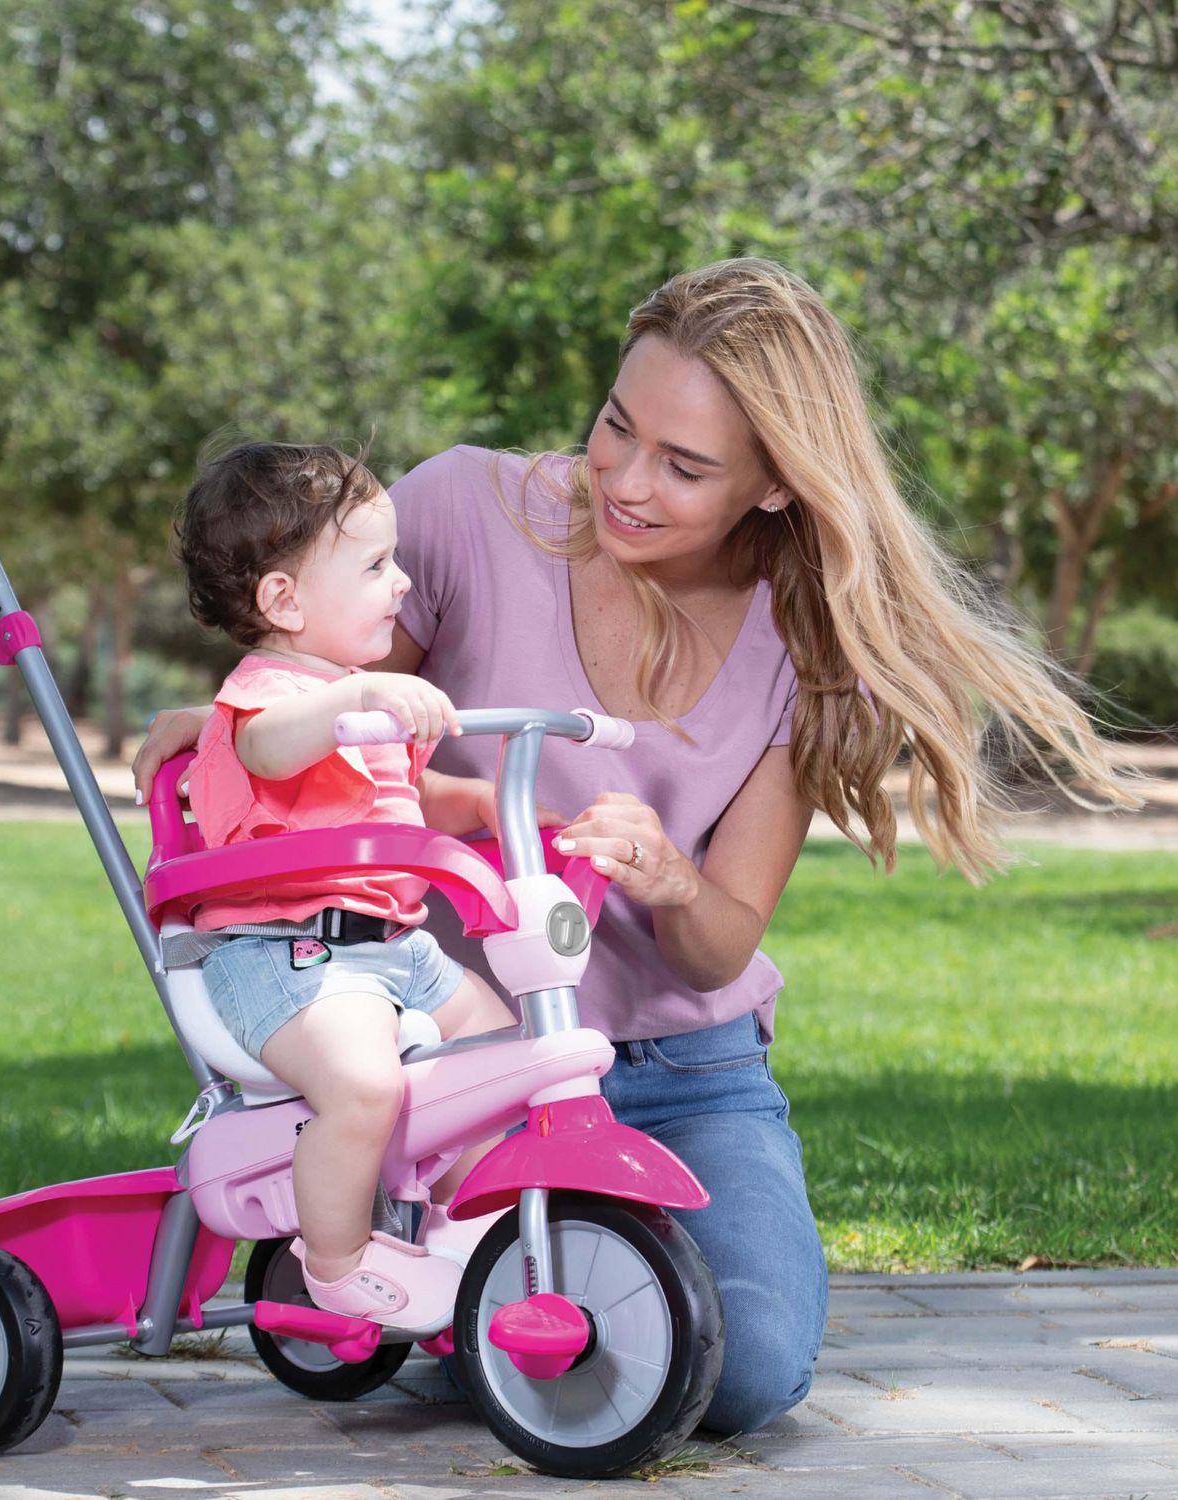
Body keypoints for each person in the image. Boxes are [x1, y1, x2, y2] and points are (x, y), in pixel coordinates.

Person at [135, 260, 1137, 1433]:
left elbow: (716, 952)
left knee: (747, 1371)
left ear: (773, 487)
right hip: (472, 1060)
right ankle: (469, 1305)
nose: (625, 477)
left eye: (686, 465)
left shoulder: (802, 645)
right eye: (618, 424)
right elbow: (321, 700)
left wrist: (671, 878)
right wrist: (225, 728)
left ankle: (503, 1316)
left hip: (684, 1074)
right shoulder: (463, 514)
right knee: (613, 1346)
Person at [172, 439, 530, 1338]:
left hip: (391, 949)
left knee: (496, 1051)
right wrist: (353, 699)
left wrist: (490, 802)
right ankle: (334, 1264)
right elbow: (272, 748)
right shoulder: (266, 698)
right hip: (287, 960)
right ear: (283, 601)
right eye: (375, 565)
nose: (403, 582)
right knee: (365, 1086)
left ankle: (463, 1221)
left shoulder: (358, 701)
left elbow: (412, 801)